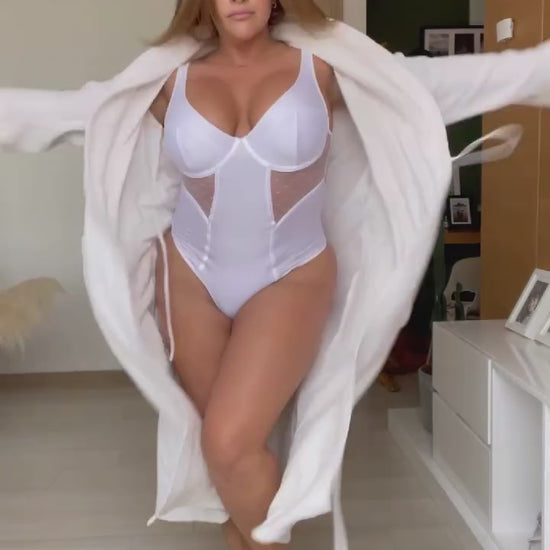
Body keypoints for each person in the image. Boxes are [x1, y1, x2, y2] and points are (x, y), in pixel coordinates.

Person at [3, 1, 550, 549]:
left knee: (228, 443)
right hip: (190, 278)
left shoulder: (327, 69)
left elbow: (449, 82)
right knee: (226, 454)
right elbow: (60, 113)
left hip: (292, 274)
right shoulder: (165, 82)